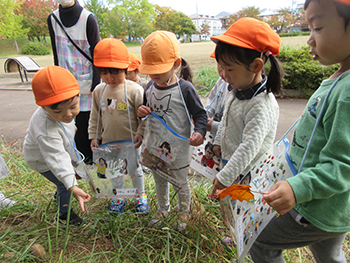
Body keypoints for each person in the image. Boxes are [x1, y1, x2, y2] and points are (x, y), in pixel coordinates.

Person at [249, 1, 350, 262]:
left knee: (259, 241)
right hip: (332, 206)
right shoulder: (338, 78)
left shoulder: (348, 92)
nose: (309, 40)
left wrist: (298, 188)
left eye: (317, 27)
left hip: (314, 204)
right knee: (329, 255)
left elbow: (343, 166)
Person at [137, 30, 207, 231]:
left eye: (159, 70)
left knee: (180, 182)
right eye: (150, 71)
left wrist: (200, 133)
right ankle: (162, 208)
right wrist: (141, 112)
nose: (154, 75)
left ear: (176, 64)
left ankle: (183, 213)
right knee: (159, 178)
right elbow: (145, 111)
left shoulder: (184, 89)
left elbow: (200, 115)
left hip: (178, 149)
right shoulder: (150, 86)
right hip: (154, 145)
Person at [209, 17, 282, 197]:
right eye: (221, 67)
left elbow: (250, 146)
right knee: (228, 209)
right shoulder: (237, 90)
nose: (224, 75)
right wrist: (218, 140)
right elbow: (226, 118)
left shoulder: (260, 104)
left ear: (256, 65)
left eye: (230, 69)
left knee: (241, 211)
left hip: (249, 174)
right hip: (233, 166)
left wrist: (225, 176)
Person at [23, 66, 91, 226]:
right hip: (42, 160)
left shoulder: (61, 114)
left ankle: (60, 194)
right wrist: (72, 186)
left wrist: (71, 128)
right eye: (59, 112)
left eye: (73, 107)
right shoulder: (46, 129)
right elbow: (57, 158)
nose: (68, 115)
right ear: (43, 107)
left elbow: (65, 119)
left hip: (55, 152)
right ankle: (64, 215)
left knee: (64, 180)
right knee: (63, 182)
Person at [88, 38, 149, 214]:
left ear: (125, 68)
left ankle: (140, 196)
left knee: (134, 169)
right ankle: (119, 195)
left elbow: (143, 118)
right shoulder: (99, 90)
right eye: (104, 73)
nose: (110, 78)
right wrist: (94, 136)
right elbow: (95, 116)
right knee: (113, 170)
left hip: (131, 141)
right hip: (108, 141)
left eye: (115, 72)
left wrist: (140, 133)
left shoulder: (135, 90)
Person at [47, 0, 101, 164]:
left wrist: (95, 85)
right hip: (64, 82)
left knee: (86, 123)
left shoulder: (88, 18)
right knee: (67, 121)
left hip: (86, 84)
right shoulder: (53, 19)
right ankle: (74, 163)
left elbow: (96, 53)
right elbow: (56, 52)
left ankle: (89, 163)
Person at [206, 53, 230, 137]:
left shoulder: (238, 89)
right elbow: (211, 102)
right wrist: (203, 116)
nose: (221, 69)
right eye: (219, 63)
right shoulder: (221, 82)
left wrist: (214, 126)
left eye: (227, 66)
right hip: (214, 138)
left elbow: (235, 129)